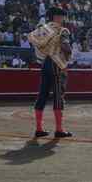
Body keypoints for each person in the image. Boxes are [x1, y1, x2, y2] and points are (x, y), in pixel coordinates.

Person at [27, 7, 73, 138]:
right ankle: (59, 130)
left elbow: (31, 39)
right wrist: (68, 57)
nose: (63, 19)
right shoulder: (62, 30)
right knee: (58, 96)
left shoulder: (43, 29)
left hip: (45, 62)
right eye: (62, 16)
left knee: (42, 94)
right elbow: (65, 45)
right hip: (57, 64)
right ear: (57, 17)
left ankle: (39, 129)